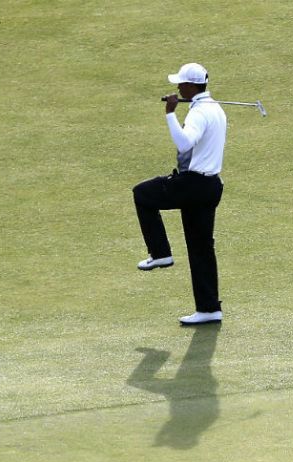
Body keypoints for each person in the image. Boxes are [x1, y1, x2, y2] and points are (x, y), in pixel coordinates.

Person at [132, 62, 227, 325]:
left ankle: (160, 253)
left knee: (142, 194)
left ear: (191, 86)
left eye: (180, 83)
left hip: (193, 183)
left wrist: (170, 113)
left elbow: (185, 142)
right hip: (211, 186)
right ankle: (209, 309)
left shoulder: (199, 112)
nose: (177, 87)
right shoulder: (216, 109)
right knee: (201, 248)